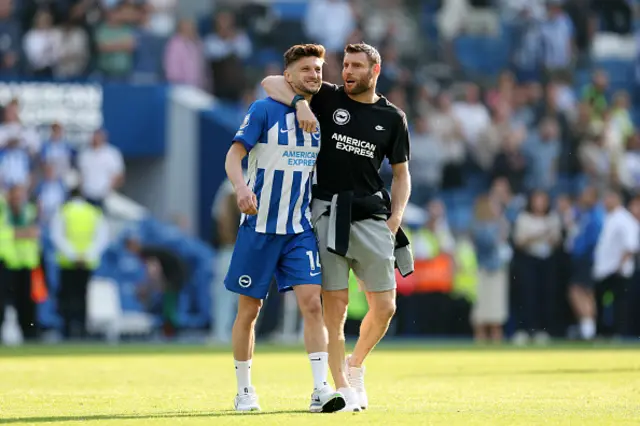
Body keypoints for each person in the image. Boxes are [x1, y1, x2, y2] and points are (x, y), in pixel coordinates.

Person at [261, 42, 412, 411]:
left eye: (356, 66)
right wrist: (299, 103)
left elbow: (402, 175)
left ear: (374, 71)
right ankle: (343, 387)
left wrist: (395, 219)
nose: (347, 71)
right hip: (327, 212)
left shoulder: (393, 117)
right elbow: (269, 82)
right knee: (336, 306)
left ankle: (355, 364)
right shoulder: (326, 97)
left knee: (385, 306)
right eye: (345, 65)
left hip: (373, 216)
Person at [223, 44, 345, 413]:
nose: (314, 74)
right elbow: (234, 155)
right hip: (259, 226)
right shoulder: (264, 110)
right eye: (306, 68)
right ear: (289, 75)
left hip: (298, 229)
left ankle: (320, 390)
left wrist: (305, 103)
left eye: (319, 68)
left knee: (312, 304)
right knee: (249, 310)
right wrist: (242, 188)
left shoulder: (321, 114)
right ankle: (244, 390)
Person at [51, 187, 109, 339]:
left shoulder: (64, 211)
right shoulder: (93, 212)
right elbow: (102, 237)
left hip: (67, 262)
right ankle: (81, 328)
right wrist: (87, 254)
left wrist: (72, 255)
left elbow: (57, 235)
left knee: (67, 295)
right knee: (83, 296)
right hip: (87, 261)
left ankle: (67, 328)